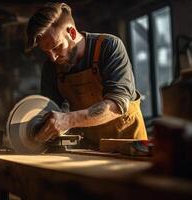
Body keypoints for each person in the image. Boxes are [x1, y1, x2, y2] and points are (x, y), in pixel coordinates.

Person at [26, 2, 148, 146]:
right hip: (91, 148)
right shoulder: (50, 67)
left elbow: (117, 104)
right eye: (46, 52)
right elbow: (51, 112)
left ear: (71, 32)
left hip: (130, 145)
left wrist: (68, 120)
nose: (53, 57)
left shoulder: (109, 47)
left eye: (57, 47)